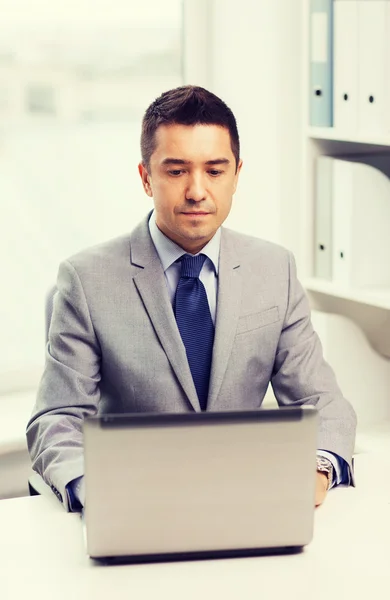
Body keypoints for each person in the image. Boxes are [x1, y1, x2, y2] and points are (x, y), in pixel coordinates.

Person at [26, 85, 356, 512]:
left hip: (244, 505)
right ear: (146, 178)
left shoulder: (275, 270)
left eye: (215, 171)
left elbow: (323, 403)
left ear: (237, 174)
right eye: (177, 171)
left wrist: (318, 469)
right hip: (136, 507)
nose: (197, 191)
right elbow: (56, 419)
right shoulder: (85, 280)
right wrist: (94, 491)